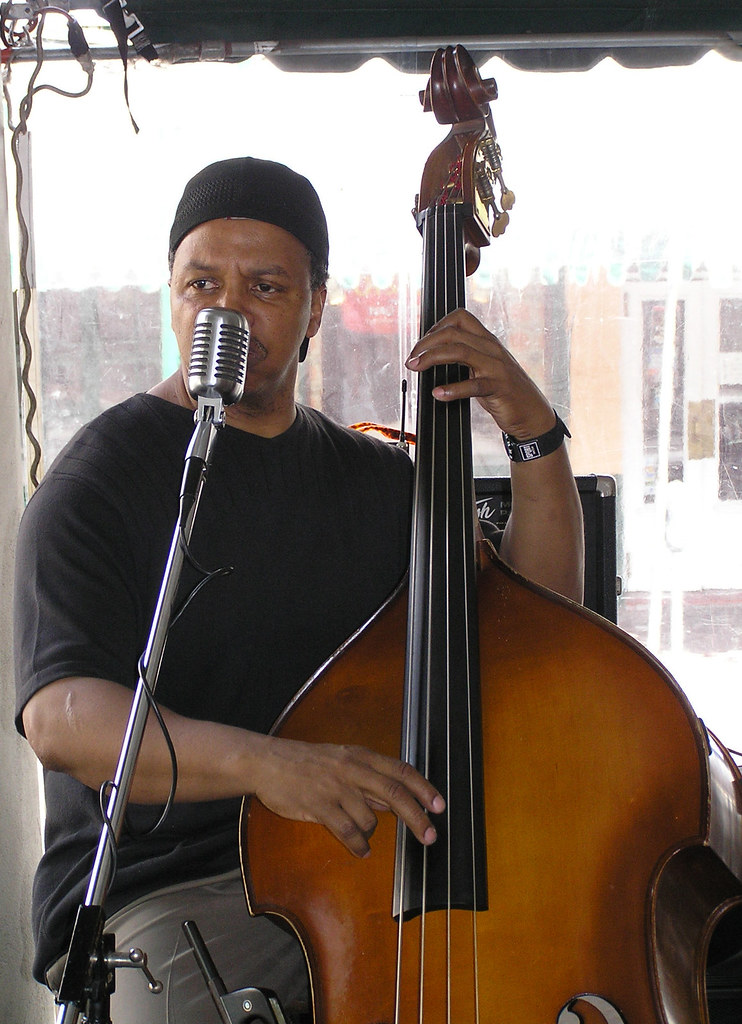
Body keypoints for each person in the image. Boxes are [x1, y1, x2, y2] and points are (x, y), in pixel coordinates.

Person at [14, 156, 584, 1023]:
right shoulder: (99, 482)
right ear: (171, 295)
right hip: (174, 889)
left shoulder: (380, 484)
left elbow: (538, 631)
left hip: (371, 864)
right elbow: (64, 721)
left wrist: (533, 432)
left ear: (316, 307)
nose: (227, 310)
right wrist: (271, 767)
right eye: (201, 283)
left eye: (266, 287)